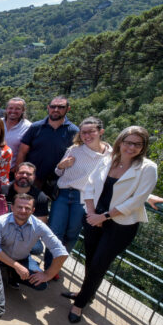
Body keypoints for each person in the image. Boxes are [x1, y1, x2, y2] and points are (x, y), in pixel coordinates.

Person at [66, 126, 157, 323]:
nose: (131, 147)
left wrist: (103, 216)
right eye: (128, 142)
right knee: (90, 260)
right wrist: (91, 213)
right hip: (93, 218)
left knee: (99, 264)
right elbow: (89, 185)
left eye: (137, 144)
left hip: (120, 225)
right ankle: (87, 294)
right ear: (120, 142)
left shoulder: (148, 168)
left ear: (143, 147)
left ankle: (79, 304)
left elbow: (136, 200)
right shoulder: (107, 160)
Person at [45, 117, 112, 273]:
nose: (87, 136)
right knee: (55, 231)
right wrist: (61, 165)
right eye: (83, 133)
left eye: (91, 132)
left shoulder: (111, 155)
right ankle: (49, 267)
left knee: (72, 234)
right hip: (64, 193)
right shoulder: (74, 149)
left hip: (86, 199)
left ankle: (57, 266)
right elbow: (58, 171)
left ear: (101, 132)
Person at [0, 194, 68, 290]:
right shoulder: (0, 221)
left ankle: (13, 275)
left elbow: (61, 252)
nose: (23, 211)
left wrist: (48, 274)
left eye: (27, 208)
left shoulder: (39, 226)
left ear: (33, 210)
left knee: (41, 284)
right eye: (19, 207)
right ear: (12, 207)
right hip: (0, 257)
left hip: (22, 259)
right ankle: (8, 271)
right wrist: (16, 266)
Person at [16, 96, 80, 195]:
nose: (56, 109)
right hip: (33, 178)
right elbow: (22, 151)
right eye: (53, 106)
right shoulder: (36, 127)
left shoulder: (73, 131)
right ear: (48, 107)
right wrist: (19, 172)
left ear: (68, 109)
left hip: (58, 181)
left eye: (61, 107)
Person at [2, 98, 31, 172]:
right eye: (10, 108)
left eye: (17, 109)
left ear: (23, 110)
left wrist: (17, 169)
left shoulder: (28, 127)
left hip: (12, 171)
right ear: (6, 109)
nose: (13, 111)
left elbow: (27, 152)